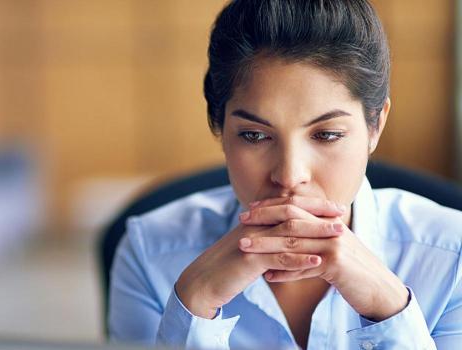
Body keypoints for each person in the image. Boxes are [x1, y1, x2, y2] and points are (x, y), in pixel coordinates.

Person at [108, 0, 462, 349]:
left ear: (375, 125)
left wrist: (389, 309)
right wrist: (194, 305)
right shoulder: (149, 251)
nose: (291, 176)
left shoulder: (452, 257)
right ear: (218, 126)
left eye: (327, 135)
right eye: (255, 136)